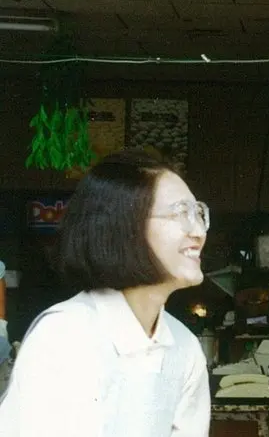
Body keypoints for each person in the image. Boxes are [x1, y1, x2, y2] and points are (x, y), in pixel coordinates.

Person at [0, 151, 212, 436]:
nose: (198, 232)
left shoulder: (185, 348)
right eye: (180, 214)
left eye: (198, 214)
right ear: (123, 227)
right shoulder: (64, 334)